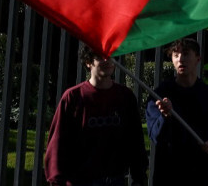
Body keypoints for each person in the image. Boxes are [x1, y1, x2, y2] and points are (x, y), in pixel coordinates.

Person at [44, 44, 148, 186]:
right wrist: (57, 180)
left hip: (115, 180)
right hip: (80, 181)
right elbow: (58, 142)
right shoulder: (73, 97)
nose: (107, 60)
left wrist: (139, 177)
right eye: (100, 57)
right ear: (88, 61)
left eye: (111, 55)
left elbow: (135, 140)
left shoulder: (125, 97)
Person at [146, 38, 208, 186]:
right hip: (168, 174)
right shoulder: (160, 95)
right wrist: (165, 117)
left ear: (197, 58)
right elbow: (155, 136)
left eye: (186, 54)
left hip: (202, 175)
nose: (181, 59)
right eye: (176, 55)